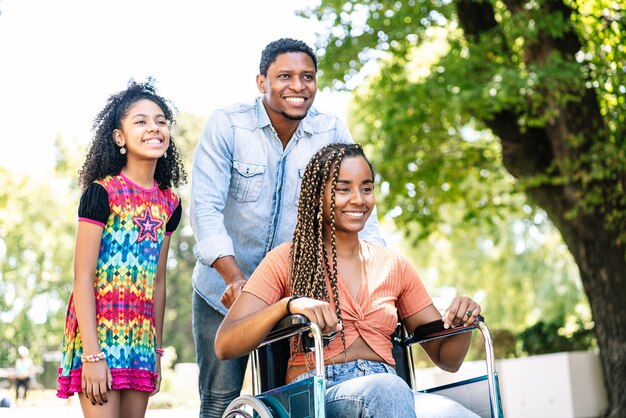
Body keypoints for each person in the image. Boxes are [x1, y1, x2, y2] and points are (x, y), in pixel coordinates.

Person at [190, 38, 385, 417]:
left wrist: (380, 276)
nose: (298, 86)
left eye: (307, 77)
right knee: (218, 400)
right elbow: (205, 210)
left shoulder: (331, 131)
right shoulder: (228, 125)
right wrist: (235, 279)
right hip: (223, 290)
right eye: (285, 76)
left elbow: (360, 212)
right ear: (262, 82)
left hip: (295, 294)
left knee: (289, 399)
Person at [215, 143, 481, 418]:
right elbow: (225, 344)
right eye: (343, 189)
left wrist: (462, 324)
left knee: (459, 414)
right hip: (317, 395)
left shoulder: (394, 265)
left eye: (366, 188)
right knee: (386, 389)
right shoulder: (286, 259)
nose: (358, 199)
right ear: (318, 196)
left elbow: (446, 359)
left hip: (390, 392)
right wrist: (288, 305)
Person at [56, 79, 186, 418]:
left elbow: (158, 282)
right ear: (119, 137)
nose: (153, 128)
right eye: (140, 121)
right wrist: (92, 355)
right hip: (98, 337)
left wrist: (155, 352)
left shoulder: (170, 204)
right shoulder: (102, 194)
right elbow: (82, 277)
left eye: (160, 121)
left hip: (140, 341)